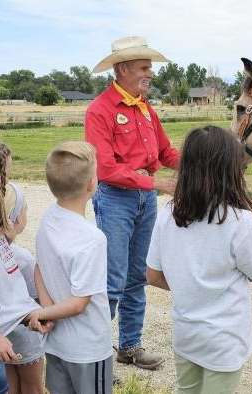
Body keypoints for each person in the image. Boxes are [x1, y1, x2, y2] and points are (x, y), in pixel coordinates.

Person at [146, 125, 252, 394]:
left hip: (187, 333)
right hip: (224, 338)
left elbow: (152, 274)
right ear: (230, 169)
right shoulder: (240, 221)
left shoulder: (168, 213)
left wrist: (189, 285)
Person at [85, 36, 180, 369]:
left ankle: (129, 347)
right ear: (123, 69)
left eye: (149, 67)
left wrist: (206, 159)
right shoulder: (100, 110)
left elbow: (167, 153)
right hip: (115, 199)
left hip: (144, 198)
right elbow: (106, 168)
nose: (150, 73)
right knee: (112, 279)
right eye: (144, 67)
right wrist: (154, 182)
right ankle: (95, 358)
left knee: (137, 276)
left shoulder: (145, 108)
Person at [29, 141, 113, 394]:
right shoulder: (92, 238)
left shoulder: (48, 219)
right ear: (91, 184)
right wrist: (44, 314)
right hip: (88, 349)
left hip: (56, 344)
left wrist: (48, 310)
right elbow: (79, 304)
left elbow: (39, 269)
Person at [4, 183, 45, 394]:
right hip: (26, 332)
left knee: (14, 386)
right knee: (34, 387)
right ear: (16, 218)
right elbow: (36, 295)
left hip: (7, 333)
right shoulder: (19, 257)